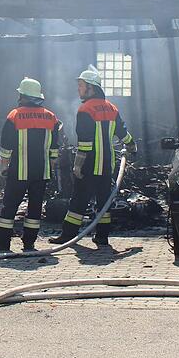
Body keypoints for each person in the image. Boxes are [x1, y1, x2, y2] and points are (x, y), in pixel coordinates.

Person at [49, 65, 137, 248]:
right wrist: (132, 146)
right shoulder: (112, 108)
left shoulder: (85, 110)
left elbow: (85, 142)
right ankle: (102, 237)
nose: (78, 89)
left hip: (89, 164)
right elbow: (123, 132)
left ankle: (68, 236)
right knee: (103, 201)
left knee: (79, 201)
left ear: (92, 87)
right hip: (107, 165)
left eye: (81, 85)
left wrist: (77, 166)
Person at [0, 77, 62, 251]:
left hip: (19, 171)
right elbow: (54, 147)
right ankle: (29, 243)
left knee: (10, 206)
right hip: (42, 172)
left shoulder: (14, 116)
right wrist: (51, 166)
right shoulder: (51, 117)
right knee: (35, 208)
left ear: (22, 95)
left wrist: (2, 168)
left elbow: (6, 146)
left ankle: (2, 243)